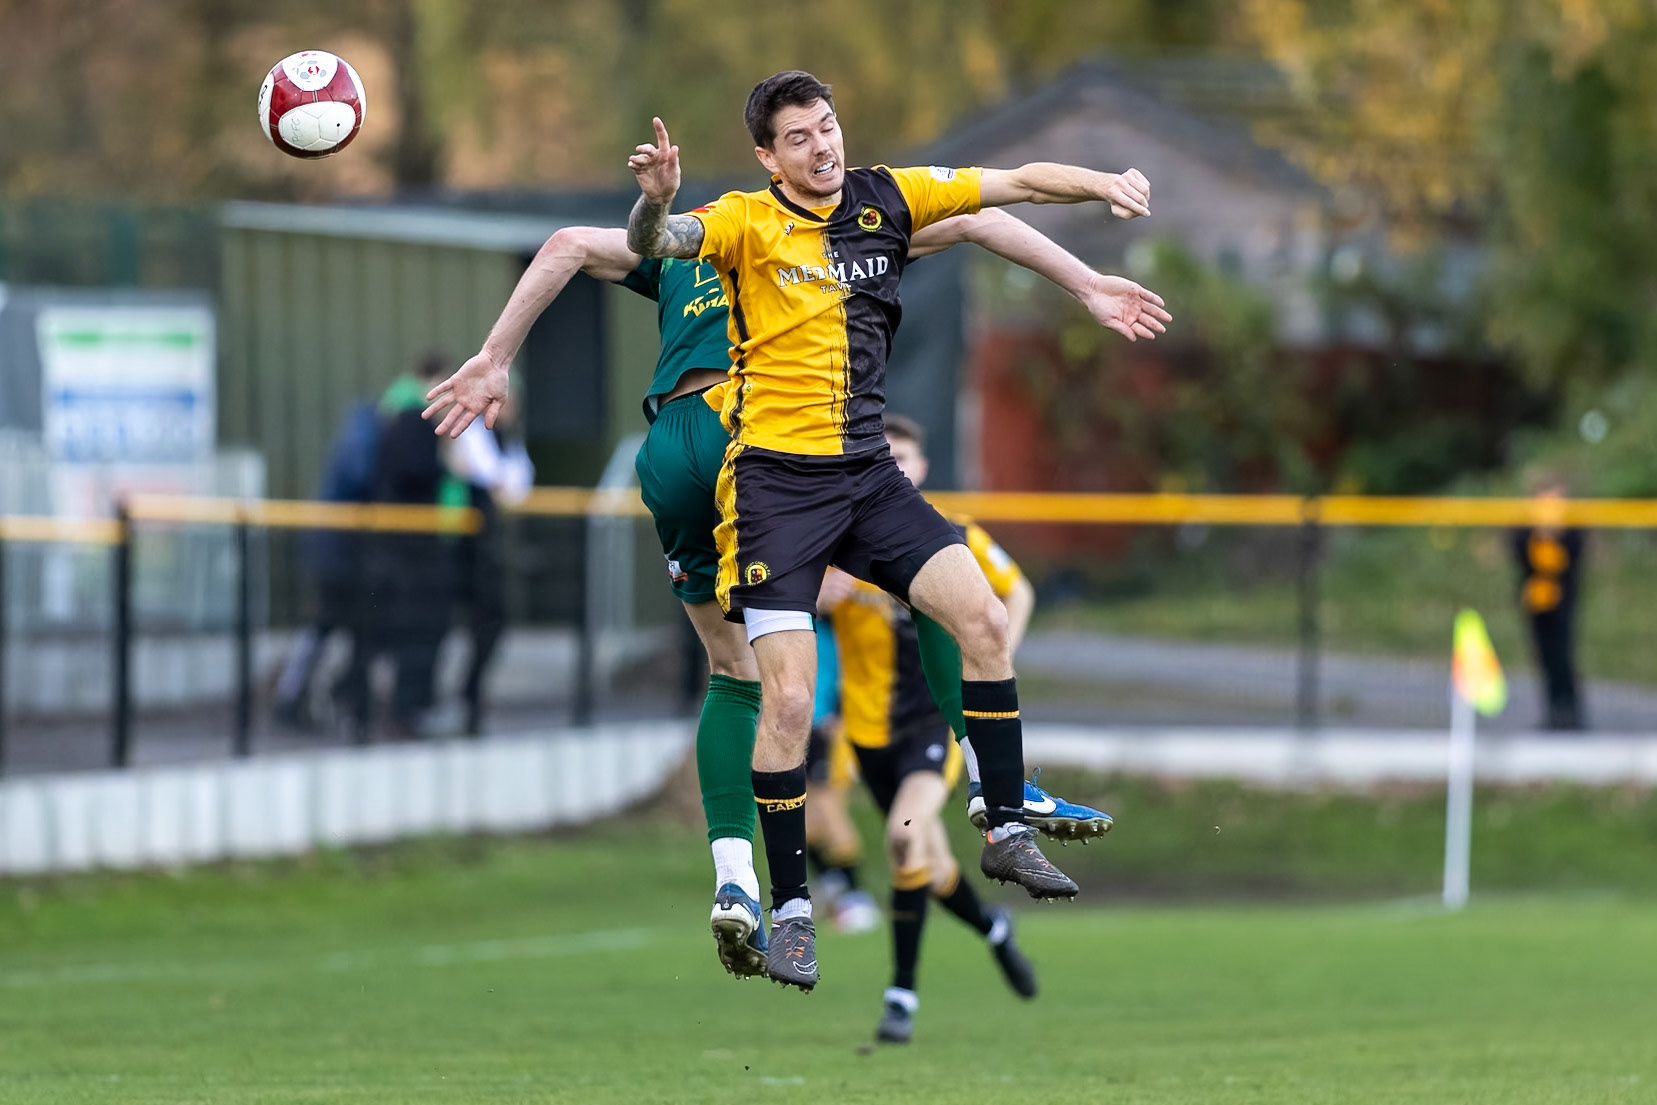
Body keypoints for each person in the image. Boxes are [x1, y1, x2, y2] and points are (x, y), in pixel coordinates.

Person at [424, 207, 1163, 984]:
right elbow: (974, 218)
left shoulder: (677, 253)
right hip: (766, 437)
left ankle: (737, 878)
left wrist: (493, 357)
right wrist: (1083, 278)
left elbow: (567, 242)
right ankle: (997, 789)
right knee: (937, 592)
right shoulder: (817, 231)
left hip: (672, 444)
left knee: (731, 669)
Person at [624, 70, 1164, 987]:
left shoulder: (888, 197)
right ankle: (791, 910)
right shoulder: (745, 223)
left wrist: (1101, 199)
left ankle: (1002, 826)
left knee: (985, 619)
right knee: (787, 702)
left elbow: (1015, 184)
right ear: (767, 156)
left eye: (826, 127)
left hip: (867, 476)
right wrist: (657, 205)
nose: (821, 146)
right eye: (798, 137)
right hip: (773, 488)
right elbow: (658, 241)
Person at [271, 397, 381, 733]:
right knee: (328, 625)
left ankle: (313, 697)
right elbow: (361, 476)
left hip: (338, 550)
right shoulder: (367, 437)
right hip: (338, 552)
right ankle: (298, 698)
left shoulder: (362, 432)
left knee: (337, 628)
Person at [447, 394, 535, 736]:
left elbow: (515, 485)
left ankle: (468, 697)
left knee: (491, 622)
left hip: (486, 551)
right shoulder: (469, 433)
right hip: (460, 548)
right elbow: (493, 479)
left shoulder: (505, 439)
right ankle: (454, 701)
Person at [803, 617, 881, 934]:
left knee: (830, 809)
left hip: (829, 727)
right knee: (802, 822)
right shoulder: (791, 618)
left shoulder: (839, 624)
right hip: (798, 727)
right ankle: (832, 882)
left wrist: (838, 714)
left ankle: (857, 896)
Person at [1511, 470, 1586, 730]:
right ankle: (1552, 712)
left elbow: (1573, 558)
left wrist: (1554, 534)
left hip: (1563, 602)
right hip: (1536, 602)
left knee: (1563, 655)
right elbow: (1519, 553)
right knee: (1543, 656)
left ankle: (1572, 712)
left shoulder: (1572, 528)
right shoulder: (1526, 528)